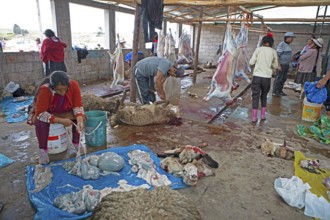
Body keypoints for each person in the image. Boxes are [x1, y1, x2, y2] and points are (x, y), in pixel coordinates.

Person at [31, 71, 85, 164]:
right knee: (39, 122)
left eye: (65, 89)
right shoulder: (45, 90)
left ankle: (76, 143)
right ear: (52, 87)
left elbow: (77, 105)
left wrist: (80, 120)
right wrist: (62, 121)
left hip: (64, 111)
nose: (63, 93)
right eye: (59, 90)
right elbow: (40, 113)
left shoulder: (73, 85)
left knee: (80, 116)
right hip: (49, 113)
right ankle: (43, 150)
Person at [249, 35, 278, 122]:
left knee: (255, 96)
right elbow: (275, 65)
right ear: (271, 43)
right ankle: (262, 116)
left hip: (257, 76)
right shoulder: (273, 51)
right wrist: (270, 66)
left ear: (262, 42)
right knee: (264, 96)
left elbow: (251, 62)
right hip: (267, 78)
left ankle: (254, 117)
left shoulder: (258, 50)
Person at [272, 32, 295, 97]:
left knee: (283, 78)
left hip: (286, 65)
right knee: (279, 78)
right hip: (281, 64)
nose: (292, 39)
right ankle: (275, 92)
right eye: (291, 38)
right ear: (287, 38)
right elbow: (277, 56)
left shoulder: (287, 45)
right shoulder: (282, 44)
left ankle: (279, 91)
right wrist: (278, 65)